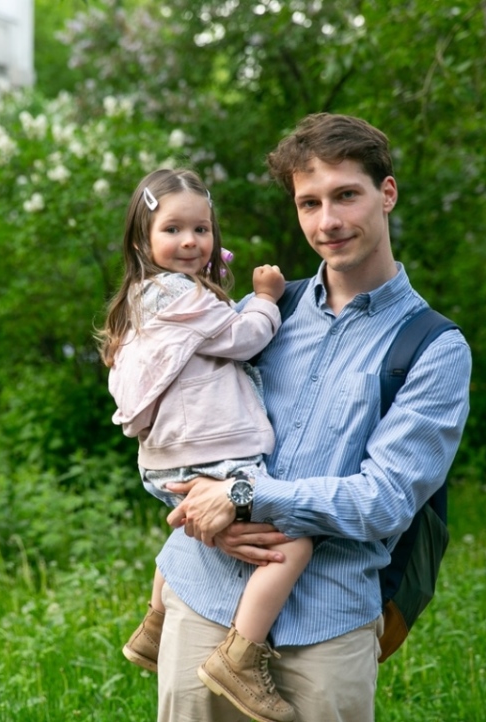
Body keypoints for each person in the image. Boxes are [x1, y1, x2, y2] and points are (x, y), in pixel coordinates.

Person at [152, 113, 473, 721]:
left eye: (346, 195)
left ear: (387, 193)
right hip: (204, 597)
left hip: (326, 624)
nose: (327, 222)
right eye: (309, 203)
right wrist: (208, 515)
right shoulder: (263, 315)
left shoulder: (433, 348)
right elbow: (180, 426)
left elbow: (384, 499)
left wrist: (244, 496)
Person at [99, 168, 313, 722]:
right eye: (173, 230)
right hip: (213, 453)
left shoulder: (143, 299)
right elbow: (243, 339)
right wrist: (264, 299)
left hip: (165, 460)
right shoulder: (180, 294)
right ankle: (239, 657)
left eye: (201, 229)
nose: (190, 242)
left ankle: (154, 625)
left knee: (196, 530)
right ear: (144, 239)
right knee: (292, 541)